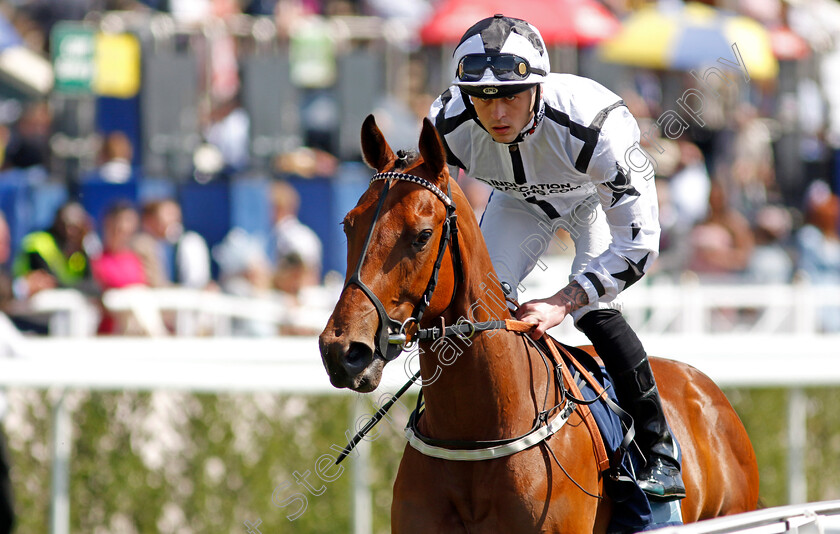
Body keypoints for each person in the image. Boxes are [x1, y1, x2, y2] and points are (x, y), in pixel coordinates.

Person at [429, 15, 684, 500]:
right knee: (481, 304)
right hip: (516, 202)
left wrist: (562, 301)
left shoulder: (596, 127)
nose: (497, 112)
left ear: (538, 87)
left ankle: (660, 450)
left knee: (593, 308)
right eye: (482, 98)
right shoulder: (446, 123)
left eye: (510, 95)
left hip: (592, 199)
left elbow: (637, 246)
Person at [91, 201, 147, 334]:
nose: (125, 228)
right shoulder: (97, 259)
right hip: (112, 331)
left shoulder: (135, 258)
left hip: (138, 330)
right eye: (121, 222)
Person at [131, 198, 212, 289]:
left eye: (176, 215)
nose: (174, 220)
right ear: (149, 219)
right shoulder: (141, 245)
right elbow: (156, 284)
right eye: (169, 214)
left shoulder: (184, 243)